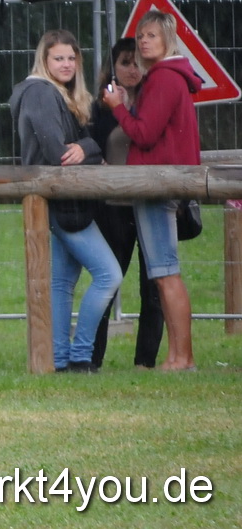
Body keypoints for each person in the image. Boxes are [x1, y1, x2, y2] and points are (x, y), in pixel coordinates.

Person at [10, 31, 119, 372]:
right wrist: (92, 154)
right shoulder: (41, 94)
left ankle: (58, 358)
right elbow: (58, 155)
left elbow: (82, 142)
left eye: (71, 58)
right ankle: (81, 355)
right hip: (60, 199)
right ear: (44, 60)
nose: (66, 64)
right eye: (58, 58)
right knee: (108, 275)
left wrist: (88, 147)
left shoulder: (55, 94)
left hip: (57, 199)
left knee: (61, 283)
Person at [101, 10, 200, 371]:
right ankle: (176, 356)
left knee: (166, 273)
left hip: (158, 185)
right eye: (141, 35)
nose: (143, 41)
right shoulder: (169, 78)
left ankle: (182, 357)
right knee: (162, 274)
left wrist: (117, 109)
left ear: (168, 40)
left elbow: (144, 134)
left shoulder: (164, 79)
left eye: (152, 36)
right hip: (164, 181)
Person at [88, 39, 163, 368]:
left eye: (137, 63)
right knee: (109, 280)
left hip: (151, 201)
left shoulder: (155, 101)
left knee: (154, 286)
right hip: (113, 206)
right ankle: (91, 357)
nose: (133, 69)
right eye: (125, 63)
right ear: (112, 68)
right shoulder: (99, 106)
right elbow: (91, 145)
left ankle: (145, 362)